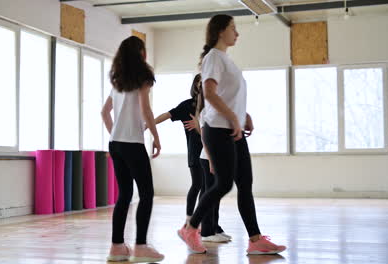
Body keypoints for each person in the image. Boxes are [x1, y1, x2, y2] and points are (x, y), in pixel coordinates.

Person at [177, 14, 287, 255]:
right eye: (233, 28)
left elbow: (227, 95)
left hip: (231, 128)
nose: (237, 33)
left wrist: (243, 114)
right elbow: (210, 93)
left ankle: (256, 240)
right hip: (218, 129)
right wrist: (234, 117)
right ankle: (191, 227)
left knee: (245, 184)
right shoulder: (214, 57)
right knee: (224, 184)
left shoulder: (225, 59)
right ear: (219, 32)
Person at [101, 36, 164, 263]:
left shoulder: (117, 81)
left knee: (125, 195)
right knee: (146, 194)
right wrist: (155, 137)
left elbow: (104, 112)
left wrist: (115, 134)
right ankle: (140, 247)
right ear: (141, 54)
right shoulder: (143, 78)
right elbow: (145, 109)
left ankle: (116, 247)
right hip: (133, 144)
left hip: (116, 144)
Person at [154, 74, 230, 243]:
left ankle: (210, 225)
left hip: (212, 152)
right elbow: (167, 115)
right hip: (197, 154)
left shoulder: (210, 105)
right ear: (195, 86)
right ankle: (192, 222)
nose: (201, 86)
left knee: (210, 190)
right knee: (199, 186)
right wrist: (147, 125)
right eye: (199, 83)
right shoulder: (188, 105)